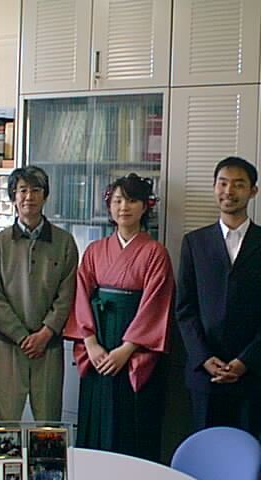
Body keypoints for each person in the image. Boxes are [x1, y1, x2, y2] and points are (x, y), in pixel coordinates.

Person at [175, 156, 261, 438]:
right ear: (214, 187)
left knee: (245, 450)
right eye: (223, 183)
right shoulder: (194, 242)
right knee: (204, 450)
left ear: (253, 191)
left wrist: (245, 361)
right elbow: (185, 308)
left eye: (239, 184)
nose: (229, 191)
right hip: (205, 372)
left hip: (251, 372)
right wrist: (203, 357)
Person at [64, 173, 174, 461]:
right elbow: (80, 296)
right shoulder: (94, 250)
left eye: (132, 200)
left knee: (132, 421)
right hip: (99, 341)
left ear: (145, 206)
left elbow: (156, 305)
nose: (124, 207)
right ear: (109, 206)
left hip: (134, 348)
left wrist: (127, 349)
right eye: (117, 200)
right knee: (97, 416)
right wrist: (90, 343)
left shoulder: (155, 252)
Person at [0, 166, 78, 422]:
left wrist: (45, 334)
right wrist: (21, 336)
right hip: (8, 344)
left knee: (48, 423)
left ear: (45, 195)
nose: (29, 197)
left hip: (48, 345)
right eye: (22, 190)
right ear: (13, 197)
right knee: (5, 423)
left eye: (36, 190)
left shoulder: (64, 242)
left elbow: (67, 294)